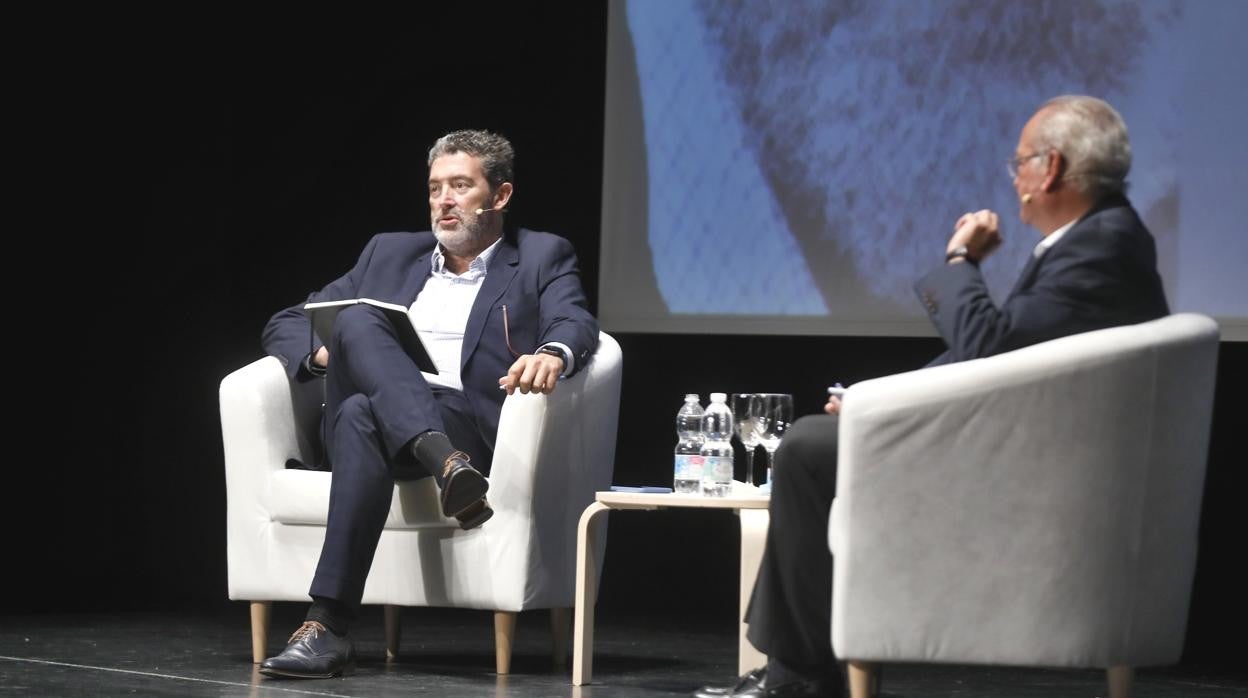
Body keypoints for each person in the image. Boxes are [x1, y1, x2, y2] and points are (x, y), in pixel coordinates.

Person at [695, 95, 1169, 697]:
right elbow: (1002, 358)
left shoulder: (1101, 247)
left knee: (809, 447)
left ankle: (801, 678)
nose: (1014, 177)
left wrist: (959, 259)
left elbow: (988, 345)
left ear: (1050, 168)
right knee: (821, 439)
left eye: (1019, 162)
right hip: (1022, 444)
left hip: (1028, 470)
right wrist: (877, 399)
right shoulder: (1103, 239)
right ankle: (807, 671)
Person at [257, 129, 599, 679]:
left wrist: (554, 353)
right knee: (359, 320)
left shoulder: (540, 255)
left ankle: (326, 625)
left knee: (356, 414)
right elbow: (286, 320)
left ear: (500, 196)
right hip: (441, 448)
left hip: (460, 420)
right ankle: (445, 466)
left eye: (460, 186)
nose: (444, 200)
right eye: (436, 187)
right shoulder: (388, 252)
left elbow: (575, 319)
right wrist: (327, 354)